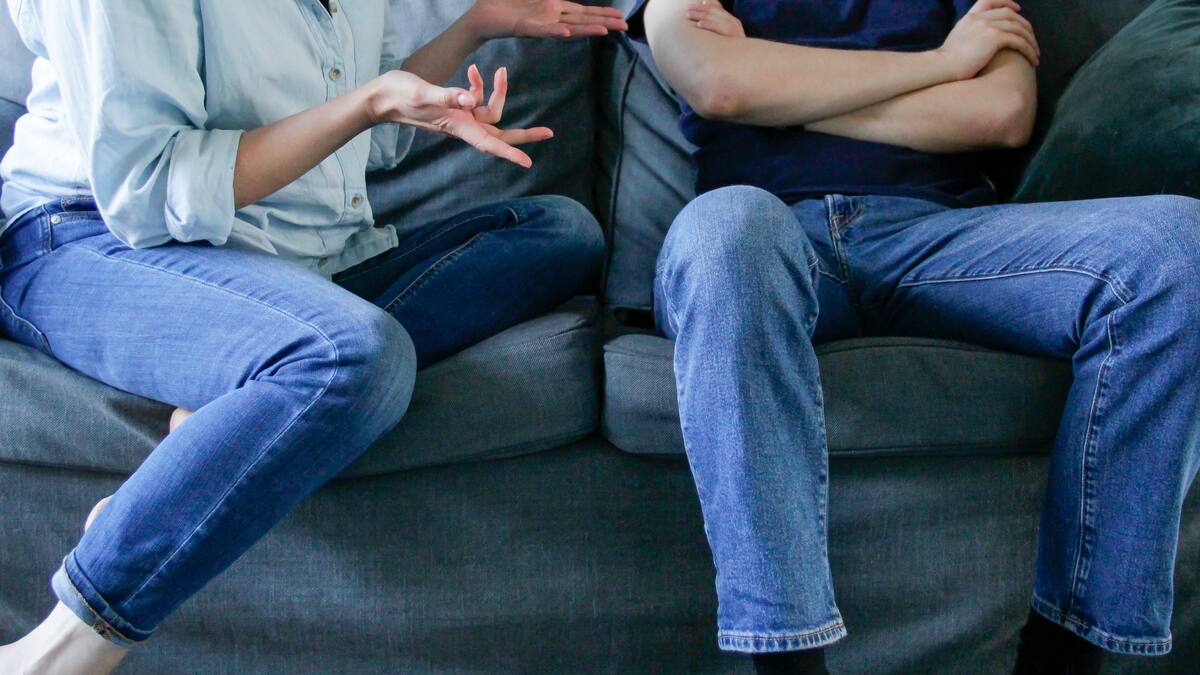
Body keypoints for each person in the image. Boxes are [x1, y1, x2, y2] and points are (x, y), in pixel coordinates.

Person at [0, 1, 627, 673]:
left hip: (286, 263)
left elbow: (366, 136)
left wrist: (476, 25)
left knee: (560, 232)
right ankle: (64, 642)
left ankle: (244, 405)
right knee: (353, 357)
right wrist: (369, 103)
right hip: (91, 238)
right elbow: (152, 189)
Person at [636, 0, 1200, 673]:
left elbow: (1001, 113)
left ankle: (1066, 654)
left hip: (941, 239)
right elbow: (720, 86)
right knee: (726, 230)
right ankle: (788, 661)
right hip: (766, 236)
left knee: (1178, 247)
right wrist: (943, 64)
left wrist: (779, 94)